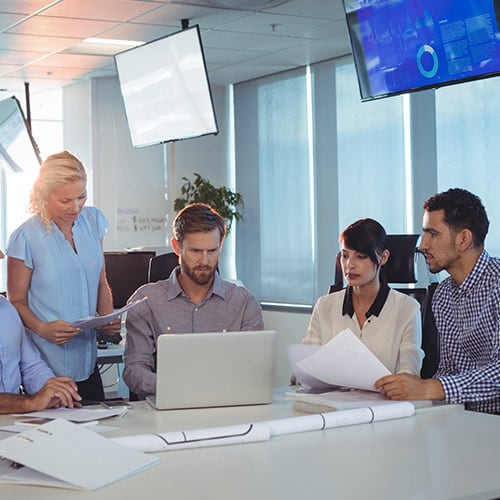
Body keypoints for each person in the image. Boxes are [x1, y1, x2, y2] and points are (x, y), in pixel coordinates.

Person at [6, 151, 121, 402]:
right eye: (65, 200)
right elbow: (15, 302)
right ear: (44, 196)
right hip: (46, 369)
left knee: (98, 433)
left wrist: (108, 318)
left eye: (82, 196)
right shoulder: (25, 237)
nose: (76, 207)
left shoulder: (92, 221)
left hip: (88, 363)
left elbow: (100, 280)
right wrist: (43, 329)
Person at [375, 188, 500, 414]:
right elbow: (448, 371)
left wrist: (429, 388)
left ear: (463, 239)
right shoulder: (442, 296)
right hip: (458, 419)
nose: (422, 245)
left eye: (433, 233)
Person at [123, 203, 264, 398]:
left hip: (226, 406)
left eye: (212, 251)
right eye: (195, 251)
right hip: (165, 410)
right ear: (176, 247)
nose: (205, 261)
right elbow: (134, 370)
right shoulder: (146, 301)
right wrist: (178, 387)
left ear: (220, 246)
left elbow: (253, 370)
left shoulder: (243, 303)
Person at [303, 218, 423, 375]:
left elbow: (409, 375)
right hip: (332, 397)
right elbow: (306, 367)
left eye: (360, 256)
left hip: (384, 398)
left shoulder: (407, 309)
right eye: (345, 256)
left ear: (383, 257)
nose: (349, 265)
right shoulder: (324, 305)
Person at [0, 250, 81, 414]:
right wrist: (30, 403)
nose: (1, 256)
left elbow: (31, 366)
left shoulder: (6, 310)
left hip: (13, 424)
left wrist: (52, 389)